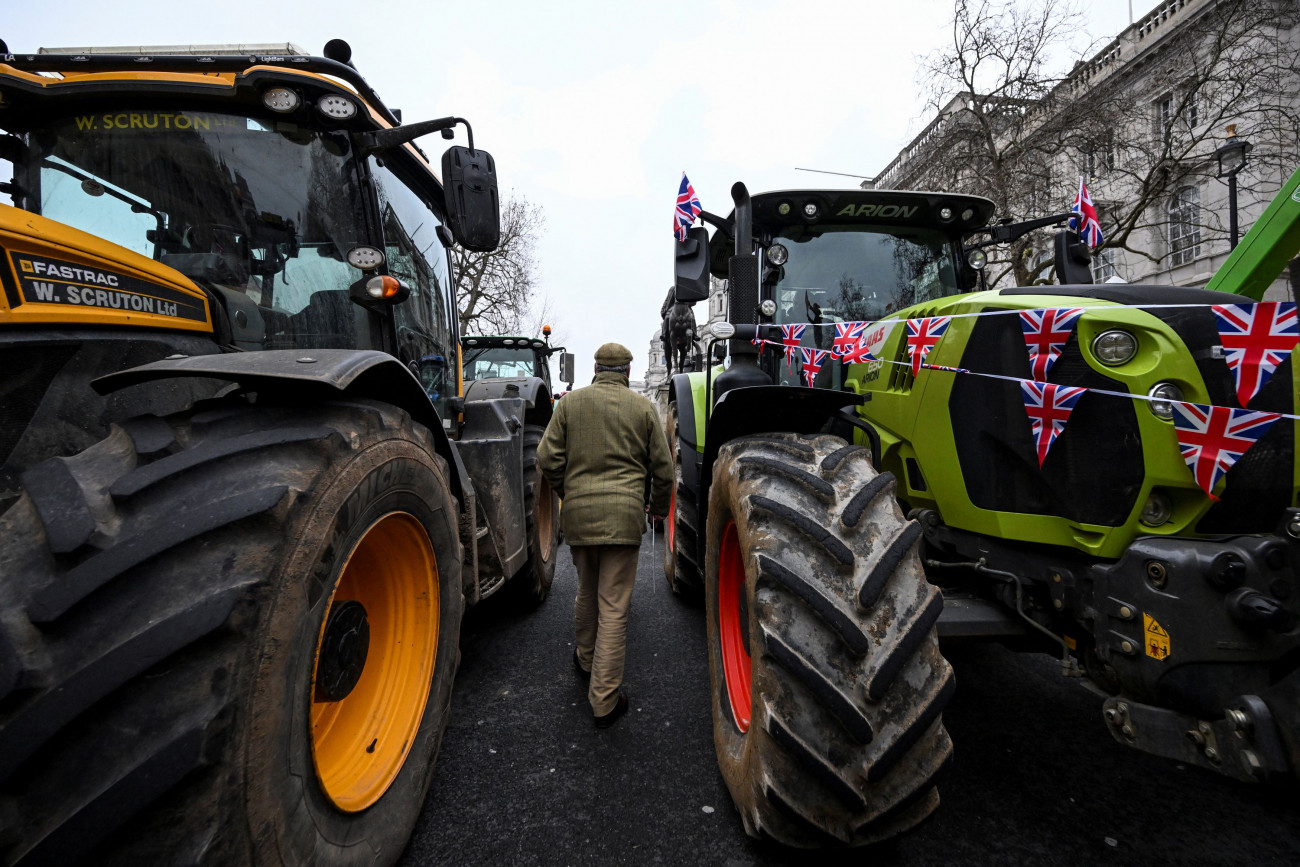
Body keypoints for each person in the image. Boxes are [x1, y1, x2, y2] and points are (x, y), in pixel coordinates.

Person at [537, 342, 672, 728]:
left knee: (586, 591)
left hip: (579, 519)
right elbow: (663, 471)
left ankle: (584, 658)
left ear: (595, 368)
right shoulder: (643, 408)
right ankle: (604, 701)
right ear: (628, 373)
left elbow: (546, 459)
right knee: (613, 606)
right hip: (624, 520)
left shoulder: (569, 405)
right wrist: (657, 506)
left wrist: (569, 494)